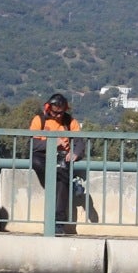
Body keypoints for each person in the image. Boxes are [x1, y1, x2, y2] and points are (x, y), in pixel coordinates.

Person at [29, 93, 86, 229]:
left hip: (61, 157)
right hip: (42, 155)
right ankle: (65, 180)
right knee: (37, 162)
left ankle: (58, 223)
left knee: (62, 181)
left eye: (61, 113)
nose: (57, 116)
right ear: (48, 108)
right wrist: (52, 143)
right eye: (55, 113)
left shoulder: (71, 122)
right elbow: (33, 144)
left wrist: (75, 153)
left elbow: (80, 142)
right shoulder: (39, 120)